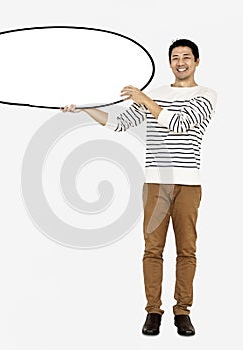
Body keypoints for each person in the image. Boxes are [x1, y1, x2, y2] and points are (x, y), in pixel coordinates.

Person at [61, 39, 217, 336]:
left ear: (197, 61)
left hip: (188, 184)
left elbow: (182, 124)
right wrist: (83, 108)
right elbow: (117, 123)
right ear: (169, 62)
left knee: (186, 250)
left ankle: (182, 311)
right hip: (156, 182)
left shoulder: (206, 95)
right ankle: (153, 311)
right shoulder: (155, 94)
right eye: (175, 57)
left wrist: (145, 100)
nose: (180, 62)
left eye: (186, 57)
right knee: (152, 249)